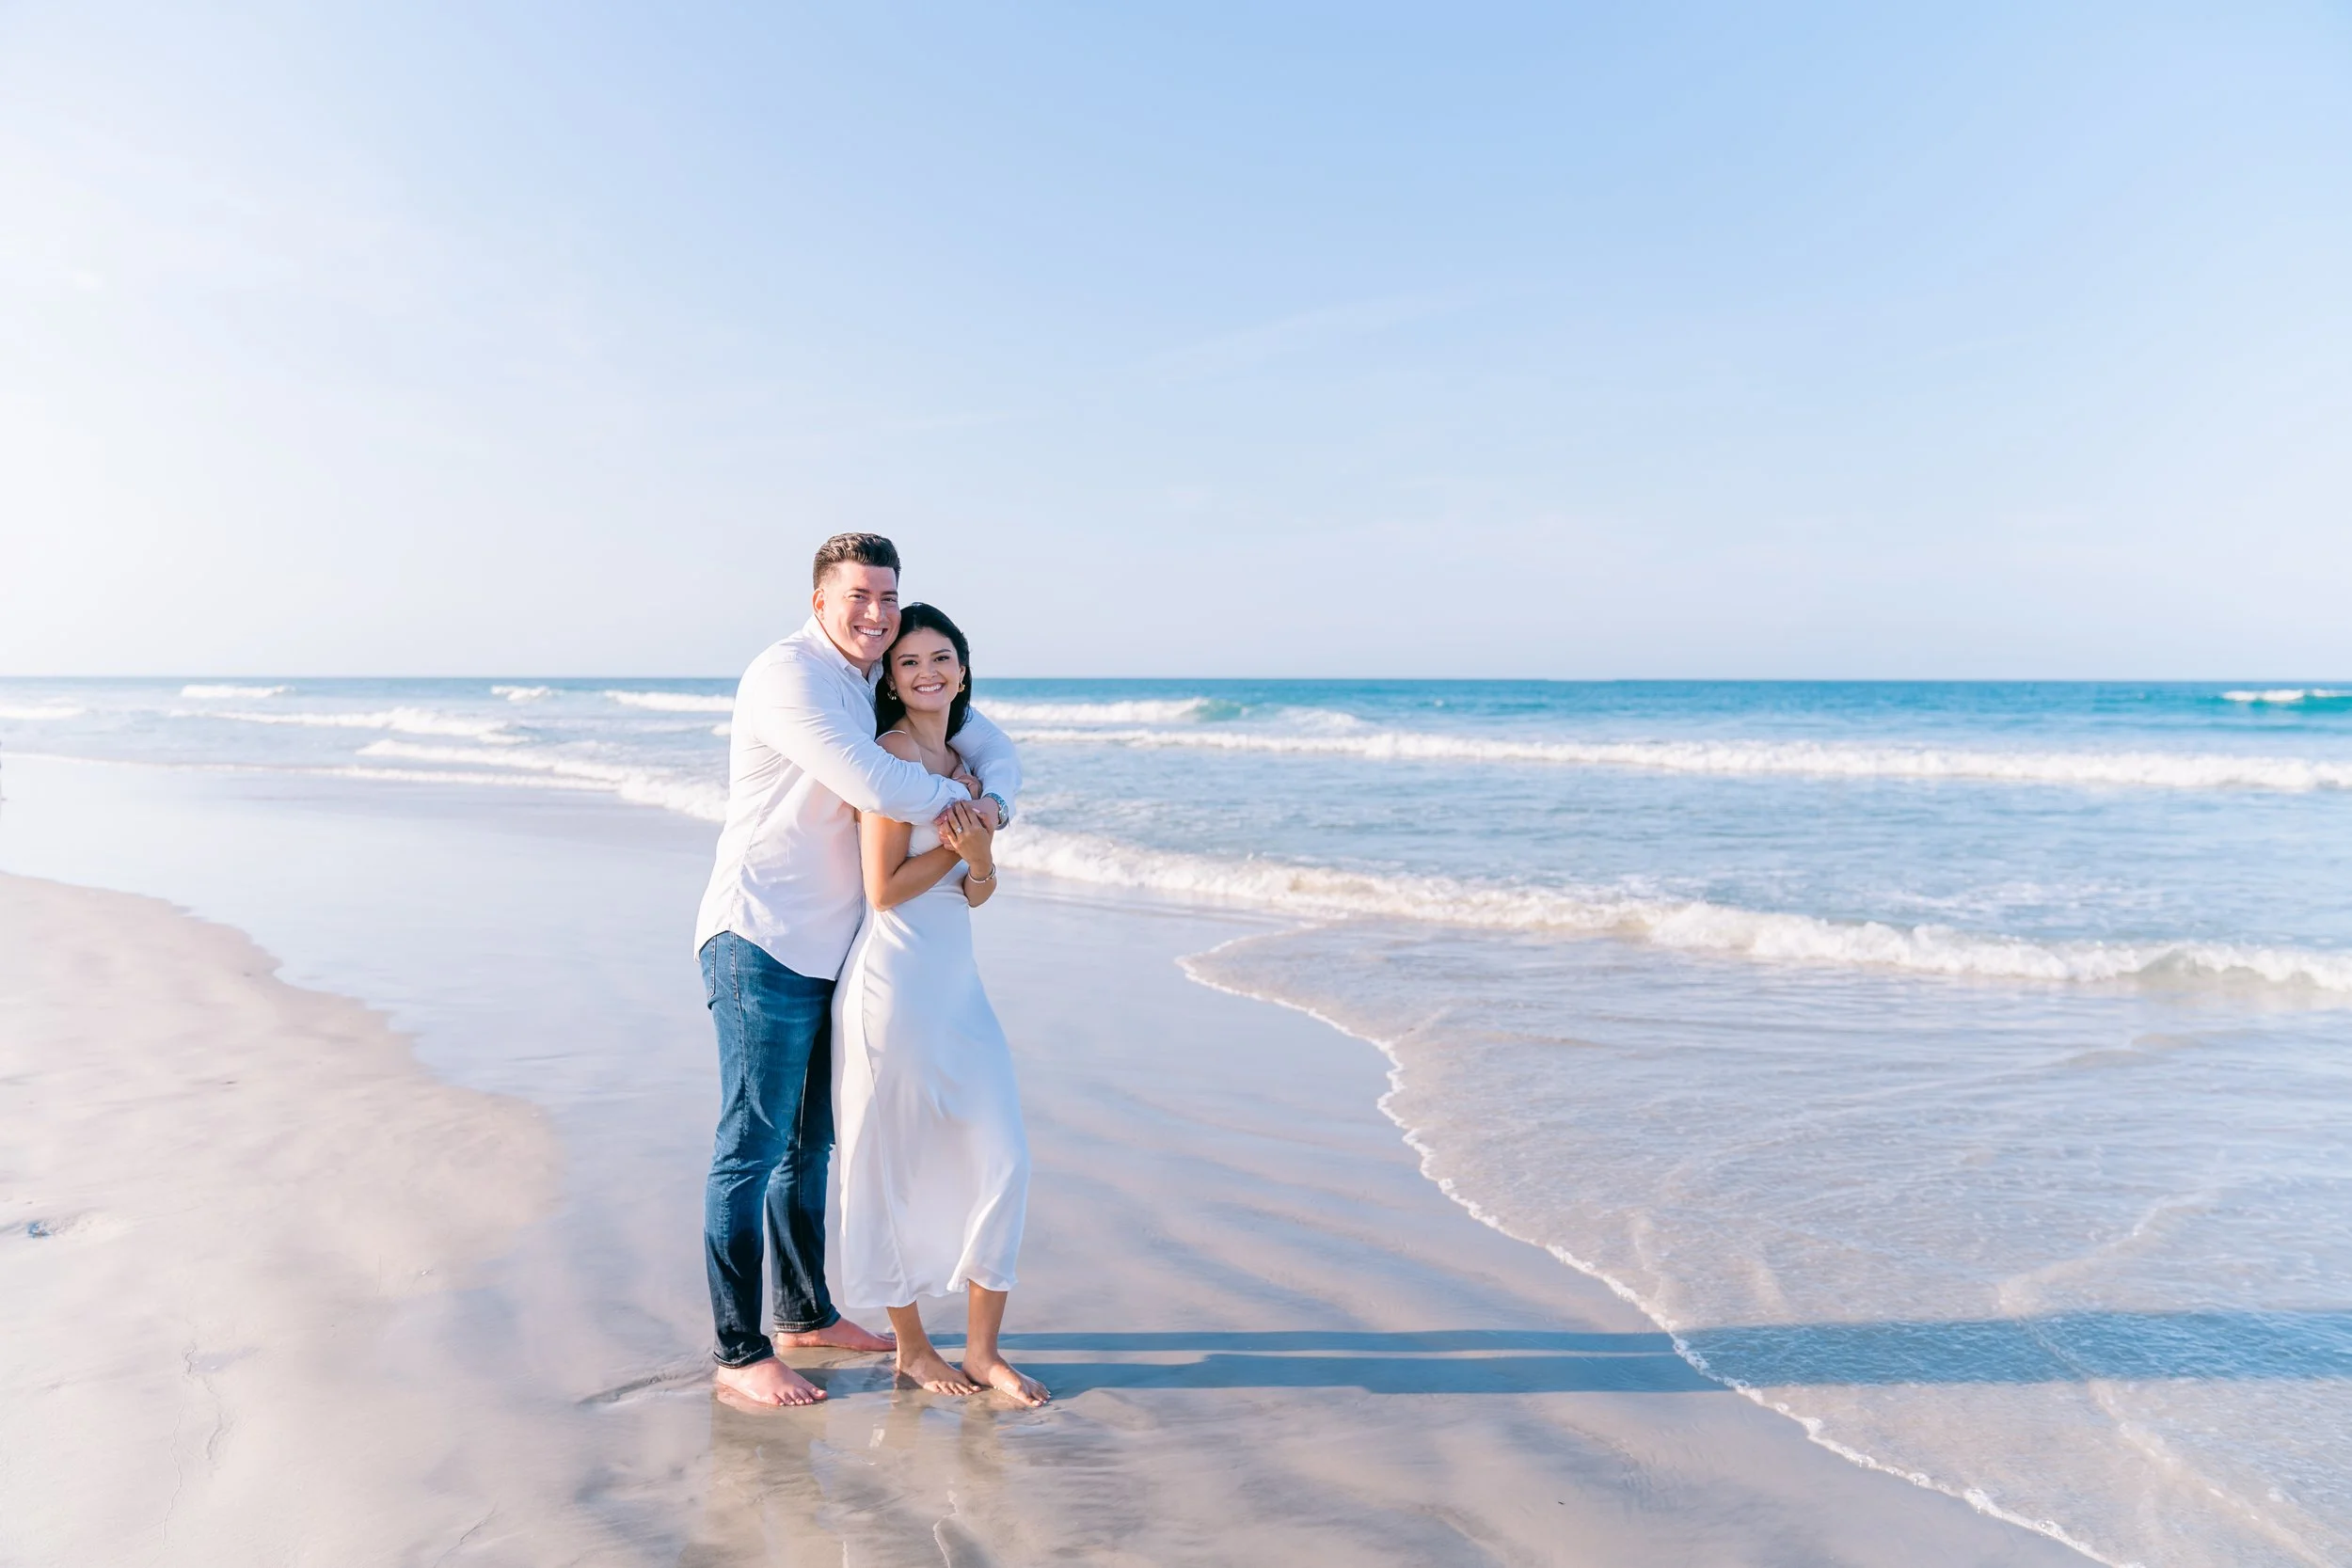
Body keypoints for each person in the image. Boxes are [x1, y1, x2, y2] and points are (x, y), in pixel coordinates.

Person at [693, 534, 1020, 1408]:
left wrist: (998, 798)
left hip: (835, 947)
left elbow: (990, 742)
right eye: (858, 598)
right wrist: (973, 818)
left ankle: (804, 1312)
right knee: (753, 1145)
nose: (876, 614)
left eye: (888, 595)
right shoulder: (789, 677)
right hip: (759, 934)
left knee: (811, 1145)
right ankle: (738, 1350)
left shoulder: (869, 675)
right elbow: (878, 779)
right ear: (818, 601)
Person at [831, 605, 1049, 1407]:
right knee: (893, 1164)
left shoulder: (968, 764)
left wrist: (980, 855)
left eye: (942, 657)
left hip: (959, 986)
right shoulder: (887, 761)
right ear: (890, 678)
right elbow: (884, 890)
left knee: (1005, 1157)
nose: (928, 671)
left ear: (962, 669)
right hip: (892, 987)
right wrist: (960, 845)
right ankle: (914, 1348)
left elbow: (976, 894)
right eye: (911, 660)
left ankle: (985, 1351)